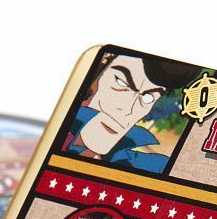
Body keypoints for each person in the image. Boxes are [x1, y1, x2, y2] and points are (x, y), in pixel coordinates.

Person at [62, 54, 199, 173]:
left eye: (147, 98)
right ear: (96, 78)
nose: (127, 110)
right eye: (121, 83)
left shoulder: (145, 165)